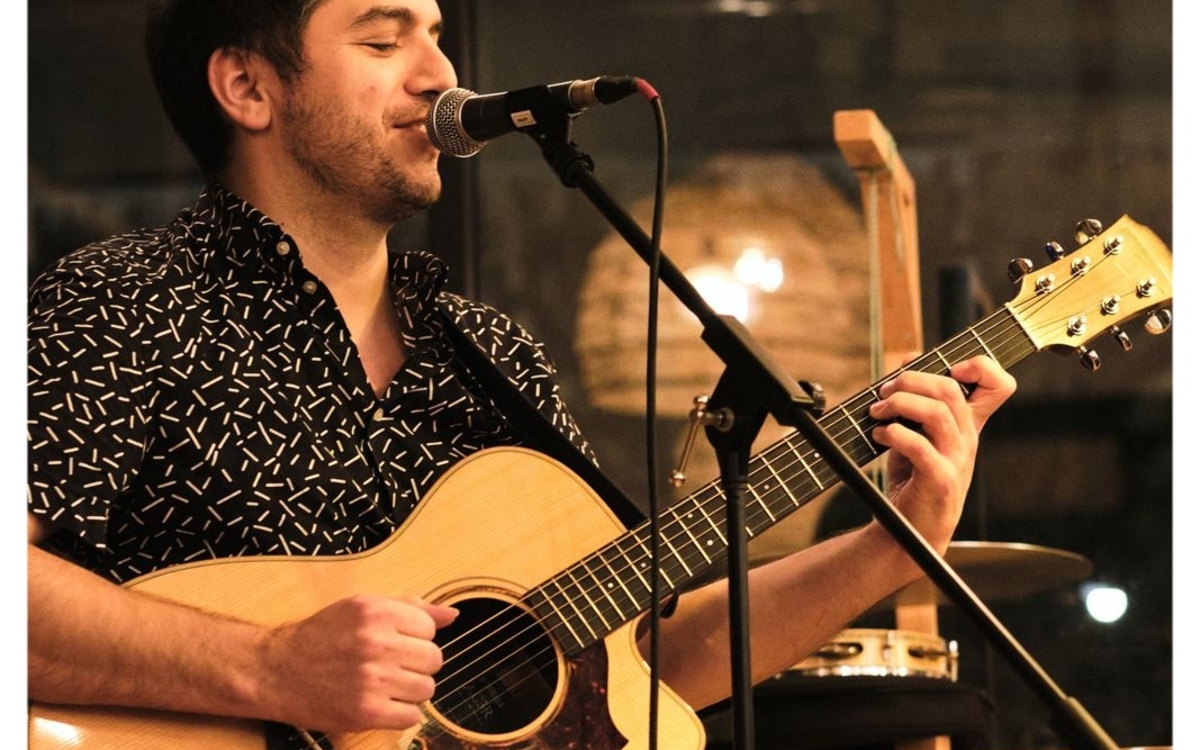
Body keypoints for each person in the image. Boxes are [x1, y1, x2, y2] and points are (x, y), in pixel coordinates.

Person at [27, 0, 1017, 744]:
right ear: (249, 88)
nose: (438, 74)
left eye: (436, 32)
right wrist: (270, 669)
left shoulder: (490, 356)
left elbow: (639, 663)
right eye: (383, 41)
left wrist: (893, 545)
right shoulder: (123, 303)